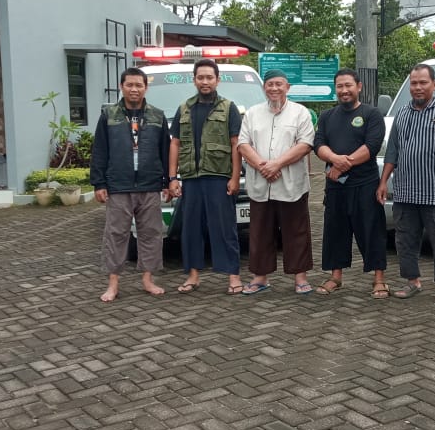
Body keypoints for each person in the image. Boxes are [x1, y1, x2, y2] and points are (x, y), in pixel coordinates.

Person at [376, 64, 435, 304]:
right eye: (414, 83)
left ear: (434, 84)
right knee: (405, 240)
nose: (418, 87)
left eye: (423, 82)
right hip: (405, 191)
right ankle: (412, 281)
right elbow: (392, 152)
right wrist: (383, 182)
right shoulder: (402, 114)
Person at [90, 67, 171, 302]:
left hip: (149, 184)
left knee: (151, 234)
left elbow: (165, 151)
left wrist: (167, 181)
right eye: (129, 85)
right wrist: (99, 183)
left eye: (139, 85)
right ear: (121, 87)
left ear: (146, 88)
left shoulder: (157, 116)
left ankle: (148, 280)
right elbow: (99, 151)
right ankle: (113, 284)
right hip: (119, 185)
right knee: (115, 234)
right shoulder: (109, 115)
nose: (134, 89)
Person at [168, 58, 244, 295]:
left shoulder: (228, 108)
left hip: (218, 177)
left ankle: (233, 276)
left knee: (224, 228)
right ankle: (193, 276)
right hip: (191, 178)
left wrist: (235, 177)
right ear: (194, 80)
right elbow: (175, 143)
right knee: (191, 229)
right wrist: (172, 177)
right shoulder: (184, 108)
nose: (205, 81)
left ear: (217, 80)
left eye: (209, 77)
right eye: (200, 77)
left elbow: (236, 144)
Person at [237, 68, 316, 295]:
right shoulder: (252, 113)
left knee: (296, 231)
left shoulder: (300, 113)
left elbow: (305, 144)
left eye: (279, 84)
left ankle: (300, 278)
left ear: (287, 87)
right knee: (260, 232)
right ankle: (260, 278)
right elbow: (243, 144)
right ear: (264, 88)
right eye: (270, 84)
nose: (274, 88)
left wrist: (277, 164)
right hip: (261, 184)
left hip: (292, 184)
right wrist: (264, 166)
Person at [313, 69, 388, 297]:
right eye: (340, 86)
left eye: (348, 85)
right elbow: (319, 144)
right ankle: (335, 277)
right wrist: (334, 159)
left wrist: (342, 165)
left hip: (365, 184)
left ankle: (379, 279)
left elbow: (372, 146)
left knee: (371, 231)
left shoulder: (372, 114)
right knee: (335, 232)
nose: (344, 90)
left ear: (359, 87)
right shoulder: (327, 116)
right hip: (336, 187)